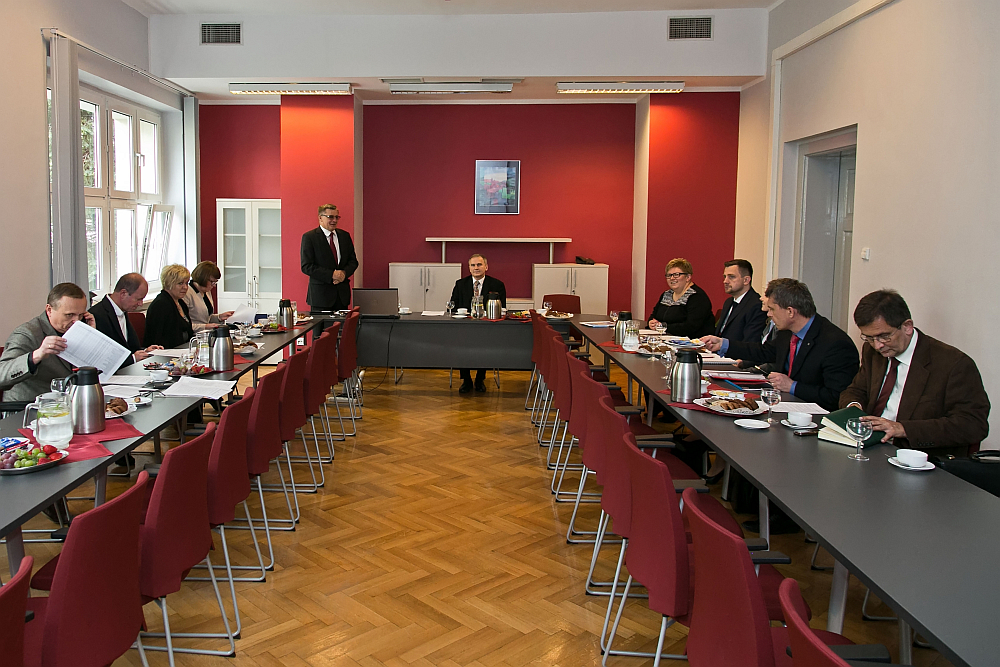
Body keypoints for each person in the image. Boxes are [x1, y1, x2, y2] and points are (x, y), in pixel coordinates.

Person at [839, 289, 989, 456]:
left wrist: (902, 428)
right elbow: (856, 390)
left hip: (917, 456)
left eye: (884, 336)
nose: (877, 345)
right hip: (871, 447)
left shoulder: (954, 364)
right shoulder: (872, 351)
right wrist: (854, 409)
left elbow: (973, 424)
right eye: (869, 338)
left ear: (907, 327)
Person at [702, 278, 858, 411]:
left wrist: (792, 386)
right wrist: (723, 344)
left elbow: (836, 396)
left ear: (790, 311)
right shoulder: (787, 331)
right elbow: (764, 351)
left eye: (772, 309)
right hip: (783, 407)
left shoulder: (836, 344)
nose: (769, 314)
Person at [0, 283, 96, 403]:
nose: (76, 321)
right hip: (29, 407)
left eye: (81, 315)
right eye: (69, 315)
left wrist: (91, 337)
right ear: (49, 310)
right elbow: (1, 374)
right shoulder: (27, 333)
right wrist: (36, 356)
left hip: (68, 404)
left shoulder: (78, 330)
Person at [450, 254, 507, 393]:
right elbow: (453, 306)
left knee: (486, 345)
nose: (476, 268)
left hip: (487, 328)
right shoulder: (460, 284)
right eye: (473, 265)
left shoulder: (497, 285)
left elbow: (502, 308)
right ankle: (466, 380)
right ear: (469, 268)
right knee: (460, 344)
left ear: (486, 267)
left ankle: (480, 379)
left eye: (479, 264)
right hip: (464, 327)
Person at [89, 273, 163, 366]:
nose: (140, 304)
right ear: (123, 294)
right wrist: (132, 359)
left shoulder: (122, 310)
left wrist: (145, 351)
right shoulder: (97, 316)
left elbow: (129, 347)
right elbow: (102, 357)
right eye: (138, 299)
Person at [300, 204, 359, 312]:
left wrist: (343, 274)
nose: (334, 220)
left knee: (342, 324)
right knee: (322, 324)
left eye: (337, 217)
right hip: (320, 297)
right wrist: (332, 274)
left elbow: (353, 261)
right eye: (330, 217)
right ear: (320, 218)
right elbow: (306, 266)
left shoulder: (344, 236)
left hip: (341, 296)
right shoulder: (310, 237)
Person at [647, 258, 715, 338]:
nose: (672, 278)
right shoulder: (666, 294)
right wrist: (651, 323)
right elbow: (654, 315)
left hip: (693, 342)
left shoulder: (697, 297)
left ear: (688, 277)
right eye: (669, 275)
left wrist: (663, 327)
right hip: (667, 339)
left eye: (676, 275)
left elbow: (690, 326)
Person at [144, 264, 195, 349]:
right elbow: (157, 338)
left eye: (186, 283)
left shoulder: (181, 303)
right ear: (169, 284)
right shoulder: (161, 305)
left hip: (183, 349)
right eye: (180, 283)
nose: (185, 287)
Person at [715, 259, 767, 343]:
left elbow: (750, 342)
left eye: (731, 277)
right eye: (725, 277)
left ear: (746, 280)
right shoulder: (728, 302)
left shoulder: (756, 305)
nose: (725, 281)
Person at [182, 261, 234, 331]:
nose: (214, 285)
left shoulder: (207, 291)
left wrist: (219, 317)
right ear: (203, 278)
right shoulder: (186, 293)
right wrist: (205, 326)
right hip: (193, 334)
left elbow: (206, 318)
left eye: (215, 282)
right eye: (212, 282)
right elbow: (184, 325)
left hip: (205, 333)